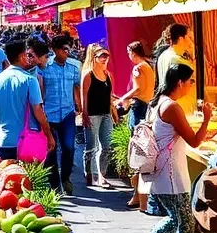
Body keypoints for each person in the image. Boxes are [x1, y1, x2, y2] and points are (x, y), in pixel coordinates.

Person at [126, 64, 213, 233]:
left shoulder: (158, 102)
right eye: (191, 81)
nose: (192, 85)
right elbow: (194, 140)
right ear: (180, 82)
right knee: (182, 221)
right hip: (171, 175)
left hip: (164, 172)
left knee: (181, 220)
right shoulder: (172, 107)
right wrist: (206, 119)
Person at [0, 40, 55, 160]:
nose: (28, 58)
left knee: (8, 177)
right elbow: (38, 110)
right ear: (22, 56)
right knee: (27, 178)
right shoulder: (30, 80)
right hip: (27, 142)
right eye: (27, 55)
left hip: (4, 141)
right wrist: (49, 135)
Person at [42, 35, 82, 194]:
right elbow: (41, 88)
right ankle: (54, 183)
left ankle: (66, 177)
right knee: (51, 149)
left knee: (69, 147)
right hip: (49, 115)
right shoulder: (45, 67)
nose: (67, 52)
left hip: (67, 113)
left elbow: (76, 87)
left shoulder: (74, 67)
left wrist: (79, 105)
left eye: (69, 49)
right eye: (64, 49)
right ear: (55, 50)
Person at [120, 41, 157, 210]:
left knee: (137, 149)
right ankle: (141, 194)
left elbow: (137, 88)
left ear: (132, 52)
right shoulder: (149, 66)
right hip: (147, 105)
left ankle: (138, 194)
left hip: (139, 105)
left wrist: (122, 98)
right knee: (144, 148)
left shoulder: (138, 68)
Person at [81, 45, 117, 189]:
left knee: (107, 146)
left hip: (105, 114)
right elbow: (84, 97)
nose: (104, 59)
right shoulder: (88, 75)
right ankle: (90, 173)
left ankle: (101, 174)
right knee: (92, 147)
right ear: (94, 58)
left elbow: (109, 97)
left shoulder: (108, 75)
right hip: (92, 114)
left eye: (106, 56)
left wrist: (114, 112)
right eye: (101, 56)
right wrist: (84, 114)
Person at [153, 24, 196, 114]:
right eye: (189, 38)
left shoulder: (164, 55)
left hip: (168, 104)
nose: (191, 42)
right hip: (181, 106)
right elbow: (192, 81)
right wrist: (193, 54)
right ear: (181, 39)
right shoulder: (178, 60)